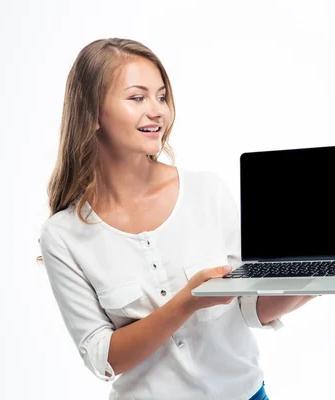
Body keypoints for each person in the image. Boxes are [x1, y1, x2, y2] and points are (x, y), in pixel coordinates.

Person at [38, 37, 317, 400]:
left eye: (161, 96)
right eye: (137, 98)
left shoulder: (207, 191)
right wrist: (188, 301)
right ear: (92, 113)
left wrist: (317, 277)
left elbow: (250, 308)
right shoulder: (63, 235)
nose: (157, 111)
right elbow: (102, 359)